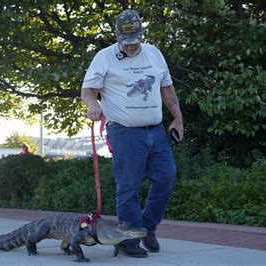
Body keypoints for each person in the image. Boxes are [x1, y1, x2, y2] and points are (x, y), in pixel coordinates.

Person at [81, 9, 184, 258]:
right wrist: (93, 106)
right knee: (128, 187)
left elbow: (167, 89)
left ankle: (146, 228)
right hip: (124, 132)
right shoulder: (105, 57)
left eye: (134, 41)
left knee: (166, 177)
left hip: (156, 131)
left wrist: (178, 118)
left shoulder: (154, 54)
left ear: (141, 34)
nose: (130, 47)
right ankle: (128, 238)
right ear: (117, 35)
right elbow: (88, 91)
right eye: (125, 42)